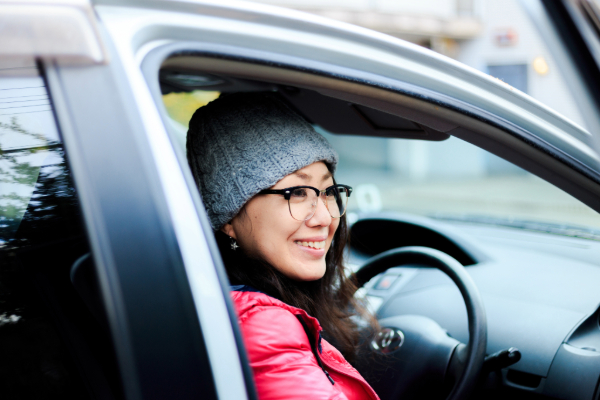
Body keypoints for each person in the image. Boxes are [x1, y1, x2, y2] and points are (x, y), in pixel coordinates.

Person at [187, 92, 380, 400]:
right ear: (229, 219)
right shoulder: (262, 325)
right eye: (297, 192)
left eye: (328, 190)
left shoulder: (222, 298)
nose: (324, 216)